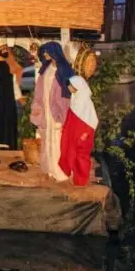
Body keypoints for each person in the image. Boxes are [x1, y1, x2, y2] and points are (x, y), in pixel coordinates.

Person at [31, 42, 73, 183]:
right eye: (44, 52)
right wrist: (37, 106)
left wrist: (62, 112)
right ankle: (49, 169)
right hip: (46, 109)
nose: (45, 54)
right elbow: (39, 89)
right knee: (47, 139)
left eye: (47, 51)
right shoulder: (46, 69)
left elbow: (67, 94)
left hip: (57, 110)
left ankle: (60, 172)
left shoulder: (64, 69)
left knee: (58, 140)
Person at [60, 56, 99, 186]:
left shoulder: (85, 100)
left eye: (71, 86)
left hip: (83, 132)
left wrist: (85, 133)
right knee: (75, 154)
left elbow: (92, 119)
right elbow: (71, 117)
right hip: (77, 131)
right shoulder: (75, 98)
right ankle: (78, 180)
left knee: (81, 155)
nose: (70, 88)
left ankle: (81, 181)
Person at [0, 46, 23, 149]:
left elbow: (14, 83)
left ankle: (8, 144)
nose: (5, 51)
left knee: (8, 120)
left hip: (8, 99)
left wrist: (19, 98)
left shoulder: (10, 65)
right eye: (3, 50)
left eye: (6, 50)